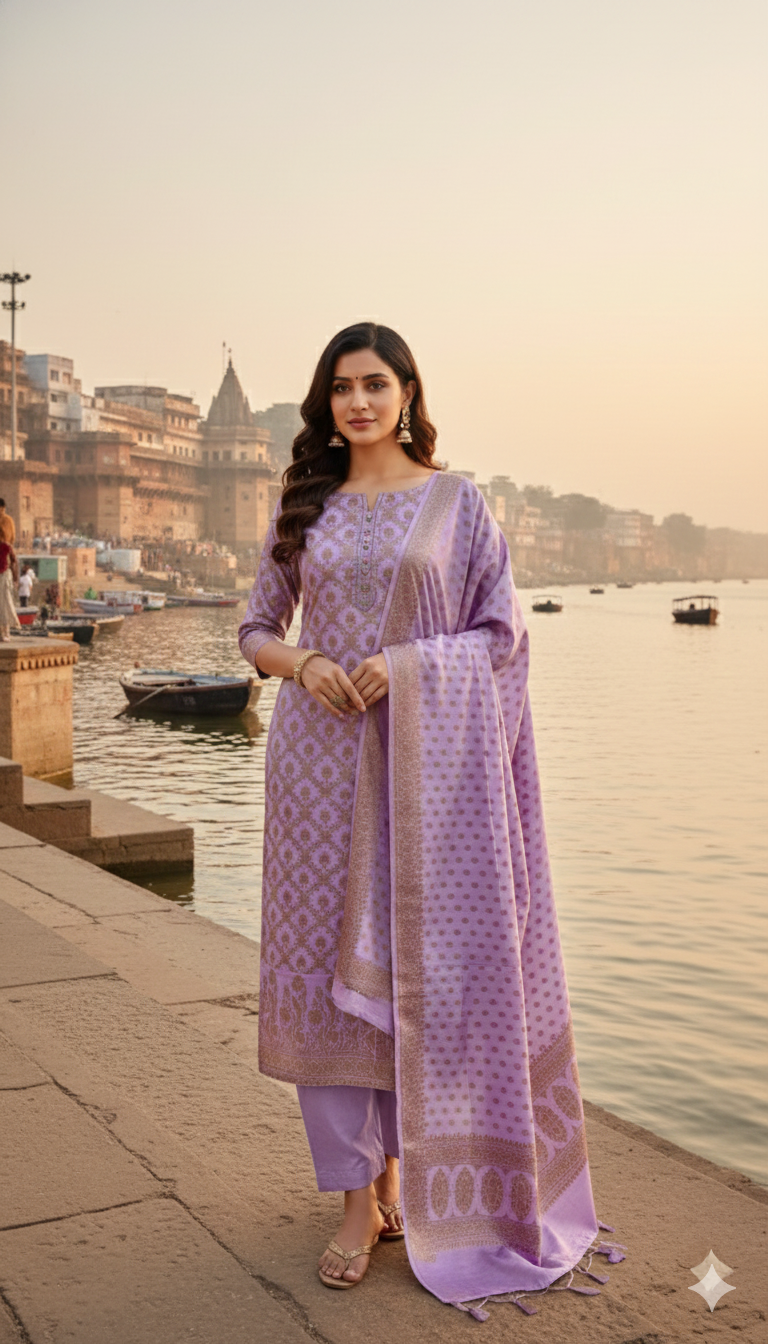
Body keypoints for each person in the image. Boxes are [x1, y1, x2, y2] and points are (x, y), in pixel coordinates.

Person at [238, 323, 614, 1313]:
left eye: (375, 384)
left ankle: (408, 1178)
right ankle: (358, 1201)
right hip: (318, 774)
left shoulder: (458, 506)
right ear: (324, 403)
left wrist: (407, 666)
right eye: (340, 388)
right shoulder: (305, 506)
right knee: (327, 985)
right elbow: (256, 628)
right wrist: (308, 664)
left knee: (421, 979)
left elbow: (501, 637)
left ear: (406, 391)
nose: (357, 403)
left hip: (428, 788)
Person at [0, 539, 21, 640]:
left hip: (4, 576)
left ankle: (5, 632)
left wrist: (15, 578)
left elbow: (14, 561)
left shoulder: (6, 547)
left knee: (5, 603)